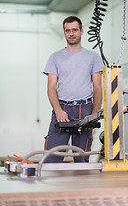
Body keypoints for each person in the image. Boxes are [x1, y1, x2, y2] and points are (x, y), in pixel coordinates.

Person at [43, 16, 103, 163]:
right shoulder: (55, 57)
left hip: (85, 109)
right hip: (62, 108)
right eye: (67, 30)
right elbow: (51, 87)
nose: (71, 33)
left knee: (82, 159)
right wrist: (58, 110)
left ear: (81, 31)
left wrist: (94, 114)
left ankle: (82, 186)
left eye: (74, 30)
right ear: (64, 33)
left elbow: (97, 87)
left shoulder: (93, 57)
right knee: (52, 157)